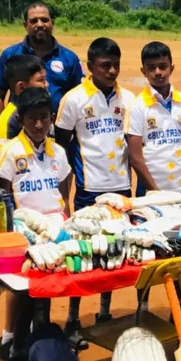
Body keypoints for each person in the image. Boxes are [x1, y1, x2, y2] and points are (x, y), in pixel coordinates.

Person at [55, 37, 134, 335]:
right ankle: (73, 315)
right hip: (88, 188)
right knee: (82, 252)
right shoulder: (74, 100)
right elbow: (61, 148)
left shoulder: (128, 99)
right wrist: (65, 194)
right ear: (90, 67)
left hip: (121, 187)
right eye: (105, 65)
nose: (112, 71)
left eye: (116, 65)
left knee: (112, 252)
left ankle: (104, 313)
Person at [0, 87, 73, 359]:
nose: (38, 125)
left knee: (47, 290)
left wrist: (65, 219)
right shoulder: (12, 151)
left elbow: (63, 191)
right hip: (23, 231)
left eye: (43, 118)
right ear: (21, 120)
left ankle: (38, 345)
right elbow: (3, 194)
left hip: (54, 230)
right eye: (31, 119)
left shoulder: (58, 152)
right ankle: (16, 347)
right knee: (25, 291)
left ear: (51, 118)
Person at [0, 2, 83, 136]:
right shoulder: (10, 55)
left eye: (44, 20)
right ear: (25, 25)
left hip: (58, 134)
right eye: (33, 21)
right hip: (19, 132)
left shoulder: (70, 58)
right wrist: (0, 128)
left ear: (53, 23)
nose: (39, 24)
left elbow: (79, 98)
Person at [125, 41, 181, 195]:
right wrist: (156, 192)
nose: (158, 72)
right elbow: (135, 158)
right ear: (143, 71)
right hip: (149, 190)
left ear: (171, 68)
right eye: (151, 68)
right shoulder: (137, 106)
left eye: (163, 66)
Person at [0, 55, 48, 146]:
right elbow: (1, 157)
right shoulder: (6, 121)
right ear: (21, 87)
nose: (46, 85)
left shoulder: (45, 110)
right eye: (41, 80)